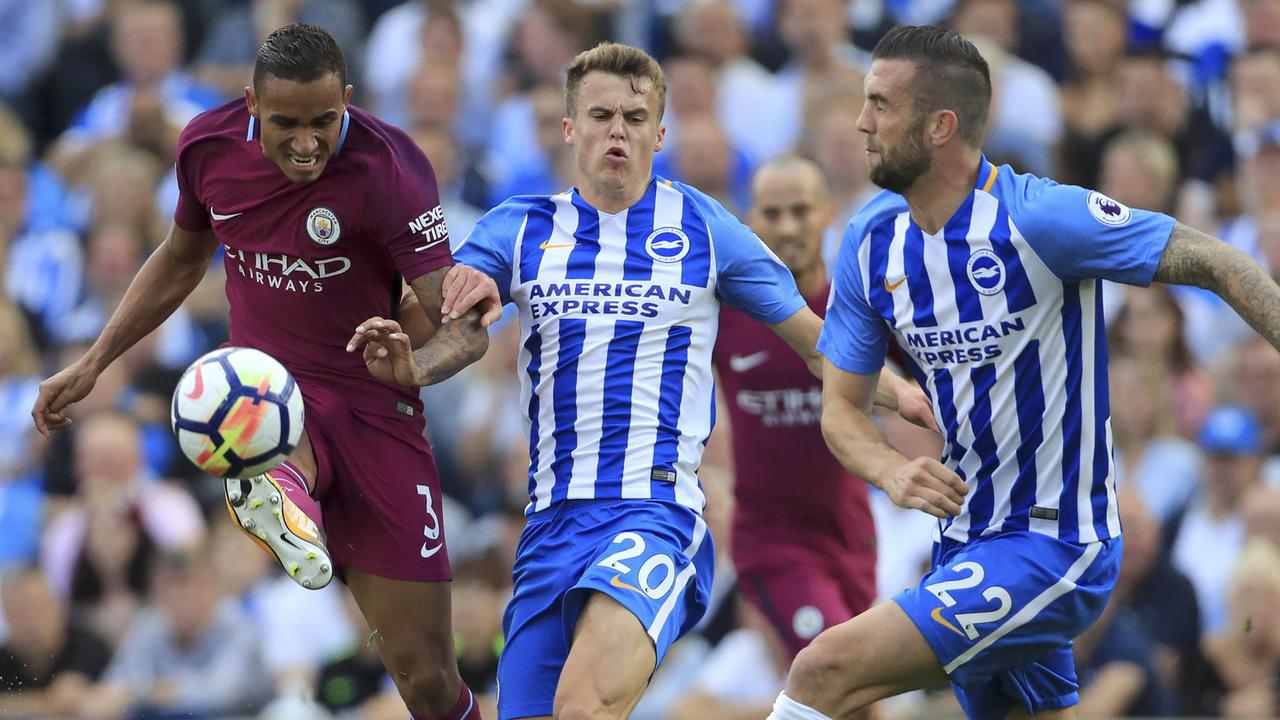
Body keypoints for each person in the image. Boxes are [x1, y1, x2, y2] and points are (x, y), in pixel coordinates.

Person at [351, 42, 930, 720]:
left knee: (583, 705)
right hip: (549, 529)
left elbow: (816, 346)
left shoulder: (706, 229)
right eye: (600, 114)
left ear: (660, 132)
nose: (617, 130)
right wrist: (414, 365)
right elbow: (459, 327)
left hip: (653, 518)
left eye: (634, 116)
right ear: (570, 127)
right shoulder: (519, 228)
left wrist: (913, 398)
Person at [768, 25, 1280, 720]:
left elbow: (1214, 260)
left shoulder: (1041, 219)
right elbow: (840, 410)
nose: (862, 122)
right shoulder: (870, 239)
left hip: (1055, 544)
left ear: (940, 125)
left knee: (822, 670)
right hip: (966, 542)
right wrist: (890, 470)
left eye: (882, 104)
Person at [31, 23, 500, 720]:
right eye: (285, 123)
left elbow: (461, 318)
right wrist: (96, 360)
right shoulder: (208, 147)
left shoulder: (390, 168)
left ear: (347, 98)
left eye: (323, 121)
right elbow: (182, 257)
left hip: (375, 411)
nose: (306, 142)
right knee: (265, 406)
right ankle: (279, 484)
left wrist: (415, 367)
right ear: (250, 102)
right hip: (268, 392)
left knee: (428, 679)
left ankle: (284, 493)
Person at [711, 156, 879, 661]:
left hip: (852, 536)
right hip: (773, 540)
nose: (787, 228)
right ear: (751, 221)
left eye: (800, 211)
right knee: (833, 664)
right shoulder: (723, 315)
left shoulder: (861, 308)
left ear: (829, 213)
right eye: (773, 213)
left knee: (858, 695)